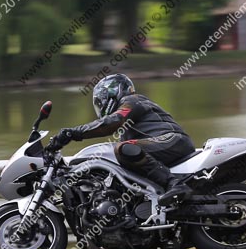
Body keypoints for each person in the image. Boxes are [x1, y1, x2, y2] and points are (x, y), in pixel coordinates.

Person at [49, 74, 194, 204]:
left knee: (122, 148)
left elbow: (112, 122)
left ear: (112, 93)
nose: (100, 106)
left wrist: (72, 133)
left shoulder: (133, 100)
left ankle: (174, 184)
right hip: (164, 145)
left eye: (101, 100)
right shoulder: (127, 125)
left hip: (172, 140)